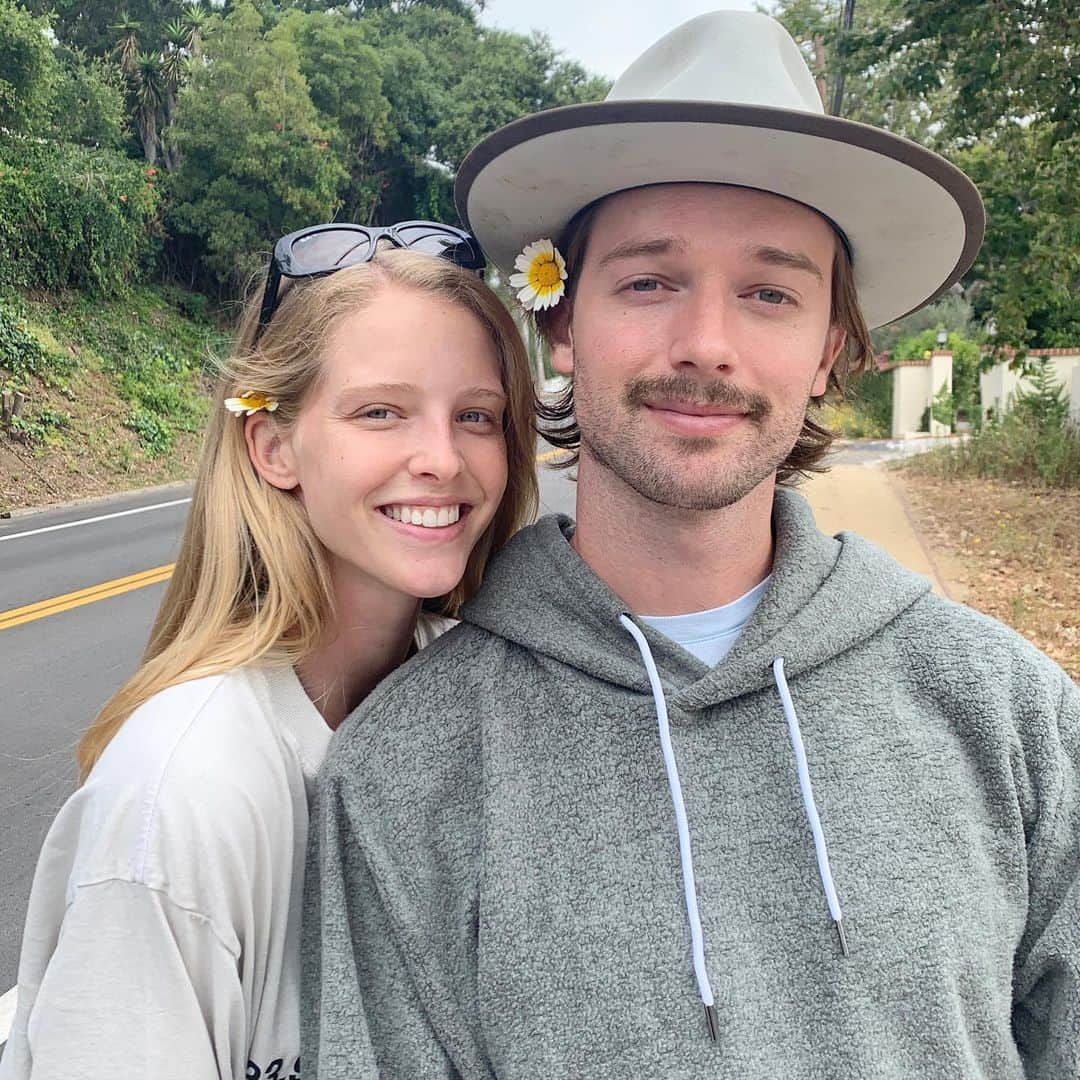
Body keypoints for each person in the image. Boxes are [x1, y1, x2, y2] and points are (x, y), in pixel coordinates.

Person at [304, 12, 1079, 1080]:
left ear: (831, 351)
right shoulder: (407, 770)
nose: (705, 343)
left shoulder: (1013, 716)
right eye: (650, 281)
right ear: (562, 324)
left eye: (770, 292)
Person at [0, 223, 538, 1079]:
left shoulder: (490, 708)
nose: (443, 458)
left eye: (477, 416)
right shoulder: (177, 801)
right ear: (273, 446)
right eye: (381, 412)